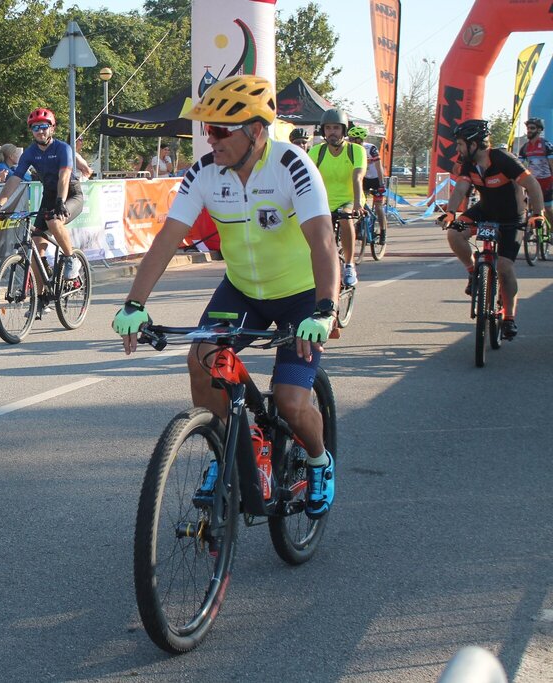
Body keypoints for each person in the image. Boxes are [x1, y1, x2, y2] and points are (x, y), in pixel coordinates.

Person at [112, 74, 339, 519]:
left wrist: (325, 308)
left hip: (301, 296)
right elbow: (167, 239)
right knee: (201, 359)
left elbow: (323, 240)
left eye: (218, 130)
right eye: (206, 129)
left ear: (255, 130)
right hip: (243, 291)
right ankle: (226, 451)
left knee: (291, 403)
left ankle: (318, 460)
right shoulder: (204, 173)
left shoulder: (292, 165)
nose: (209, 139)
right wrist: (134, 303)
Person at [439, 118, 544, 340]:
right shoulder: (468, 163)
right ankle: (473, 273)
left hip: (512, 217)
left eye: (460, 144)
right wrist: (451, 213)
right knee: (454, 233)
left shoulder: (503, 159)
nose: (457, 149)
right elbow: (461, 189)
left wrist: (537, 214)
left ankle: (509, 317)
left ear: (474, 144)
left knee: (504, 267)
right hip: (485, 211)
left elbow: (533, 184)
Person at [0, 107, 85, 282]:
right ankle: (41, 295)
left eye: (44, 126)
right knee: (35, 252)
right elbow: (15, 179)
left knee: (54, 221)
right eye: (35, 127)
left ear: (52, 128)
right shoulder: (30, 153)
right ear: (31, 130)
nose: (40, 131)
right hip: (49, 195)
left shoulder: (63, 148)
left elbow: (64, 177)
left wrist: (61, 201)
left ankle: (71, 258)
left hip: (70, 194)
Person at [309, 109, 366, 287]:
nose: (331, 132)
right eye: (328, 128)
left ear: (344, 130)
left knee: (344, 217)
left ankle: (349, 265)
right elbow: (307, 178)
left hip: (350, 199)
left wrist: (357, 204)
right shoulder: (317, 151)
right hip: (324, 201)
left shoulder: (356, 150)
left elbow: (357, 177)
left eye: (336, 128)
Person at [347, 125, 387, 244]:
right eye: (349, 138)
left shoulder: (371, 148)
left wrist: (381, 184)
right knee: (359, 204)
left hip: (375, 179)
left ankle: (383, 232)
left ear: (359, 139)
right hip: (363, 179)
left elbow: (378, 167)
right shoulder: (350, 149)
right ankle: (360, 228)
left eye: (353, 139)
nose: (350, 141)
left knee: (378, 207)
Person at [516, 116, 553, 228]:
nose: (529, 130)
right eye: (528, 128)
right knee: (531, 207)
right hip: (533, 182)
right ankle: (531, 230)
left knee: (547, 208)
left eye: (532, 128)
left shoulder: (546, 145)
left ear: (539, 130)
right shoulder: (525, 147)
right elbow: (519, 166)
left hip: (547, 182)